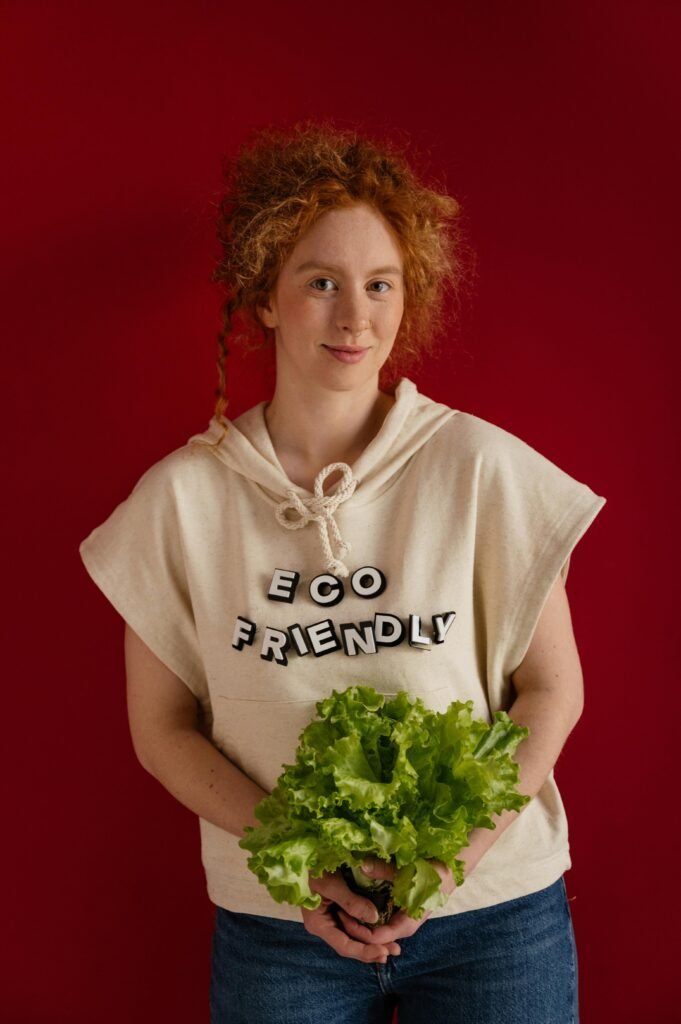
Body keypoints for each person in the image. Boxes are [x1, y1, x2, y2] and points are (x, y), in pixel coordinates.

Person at [79, 120, 606, 1023]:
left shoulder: (478, 468)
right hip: (281, 929)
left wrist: (458, 853)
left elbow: (551, 691)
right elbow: (163, 729)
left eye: (378, 284)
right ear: (268, 298)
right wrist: (300, 859)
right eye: (319, 282)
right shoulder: (180, 501)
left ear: (411, 296)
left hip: (492, 919)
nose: (354, 316)